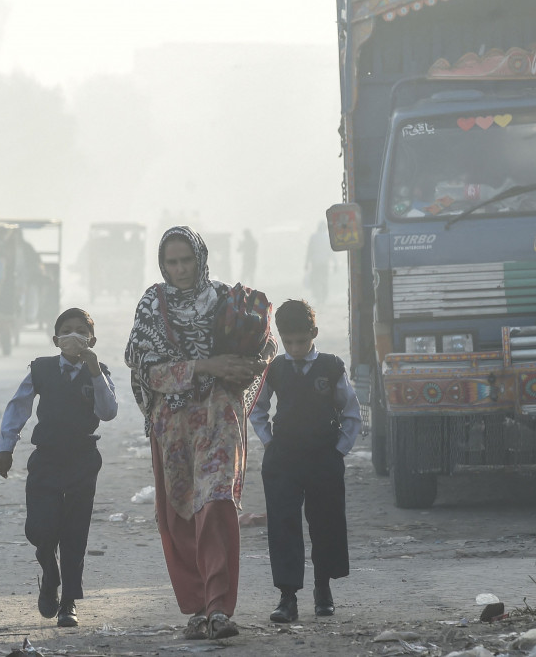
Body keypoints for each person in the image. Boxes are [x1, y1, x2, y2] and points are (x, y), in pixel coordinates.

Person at [125, 226, 275, 641]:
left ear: (200, 258)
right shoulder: (152, 306)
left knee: (217, 504)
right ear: (162, 264)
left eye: (186, 260)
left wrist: (251, 364)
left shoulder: (225, 299)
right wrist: (209, 366)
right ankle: (195, 609)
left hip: (218, 419)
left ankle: (219, 608)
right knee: (180, 514)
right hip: (172, 425)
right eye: (172, 262)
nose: (180, 270)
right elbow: (147, 369)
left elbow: (266, 343)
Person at [0, 307, 118, 628]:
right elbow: (18, 407)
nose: (74, 335)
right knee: (40, 526)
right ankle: (50, 571)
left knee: (75, 531)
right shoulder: (41, 369)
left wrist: (95, 372)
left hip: (82, 459)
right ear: (56, 339)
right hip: (46, 458)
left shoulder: (99, 372)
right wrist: (5, 448)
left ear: (92, 339)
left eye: (81, 330)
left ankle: (69, 602)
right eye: (67, 330)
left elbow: (108, 412)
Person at [249, 299, 361, 623]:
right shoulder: (275, 368)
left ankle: (322, 589)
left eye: (301, 340)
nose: (295, 348)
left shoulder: (331, 366)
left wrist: (339, 450)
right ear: (281, 338)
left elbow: (351, 412)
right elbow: (257, 410)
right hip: (284, 458)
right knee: (283, 525)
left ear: (314, 332)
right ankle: (287, 598)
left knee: (325, 524)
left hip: (323, 457)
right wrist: (270, 443)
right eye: (289, 342)